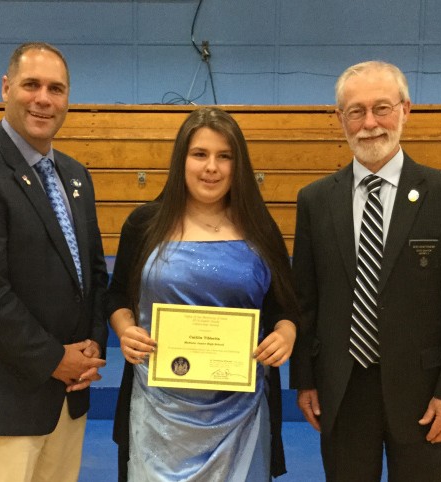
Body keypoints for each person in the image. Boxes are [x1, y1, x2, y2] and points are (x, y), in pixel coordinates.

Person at [290, 60, 441, 482]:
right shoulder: (315, 200)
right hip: (342, 390)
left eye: (382, 108)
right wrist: (305, 380)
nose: (369, 124)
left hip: (426, 392)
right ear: (339, 119)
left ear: (405, 110)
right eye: (355, 111)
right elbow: (307, 300)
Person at [0, 42, 109, 482]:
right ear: (6, 87)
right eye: (31, 85)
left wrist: (92, 345)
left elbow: (92, 273)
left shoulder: (76, 176)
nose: (43, 99)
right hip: (7, 394)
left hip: (69, 393)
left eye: (56, 88)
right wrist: (54, 358)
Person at [106, 107, 299, 481]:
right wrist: (125, 329)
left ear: (237, 165)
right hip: (158, 412)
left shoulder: (260, 228)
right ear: (182, 160)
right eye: (200, 154)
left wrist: (286, 333)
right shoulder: (144, 224)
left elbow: (286, 308)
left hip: (241, 413)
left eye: (224, 156)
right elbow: (117, 298)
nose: (212, 167)